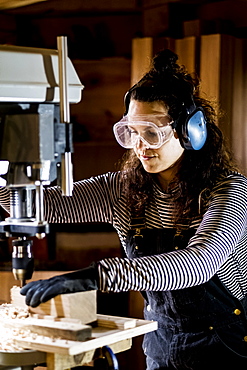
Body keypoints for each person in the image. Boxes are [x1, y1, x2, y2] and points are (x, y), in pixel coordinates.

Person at [1, 49, 247, 369]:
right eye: (132, 132)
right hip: (162, 344)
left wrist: (94, 276)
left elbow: (197, 264)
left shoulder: (228, 190)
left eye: (152, 133)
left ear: (190, 131)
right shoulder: (123, 189)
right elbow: (39, 205)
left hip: (225, 348)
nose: (141, 145)